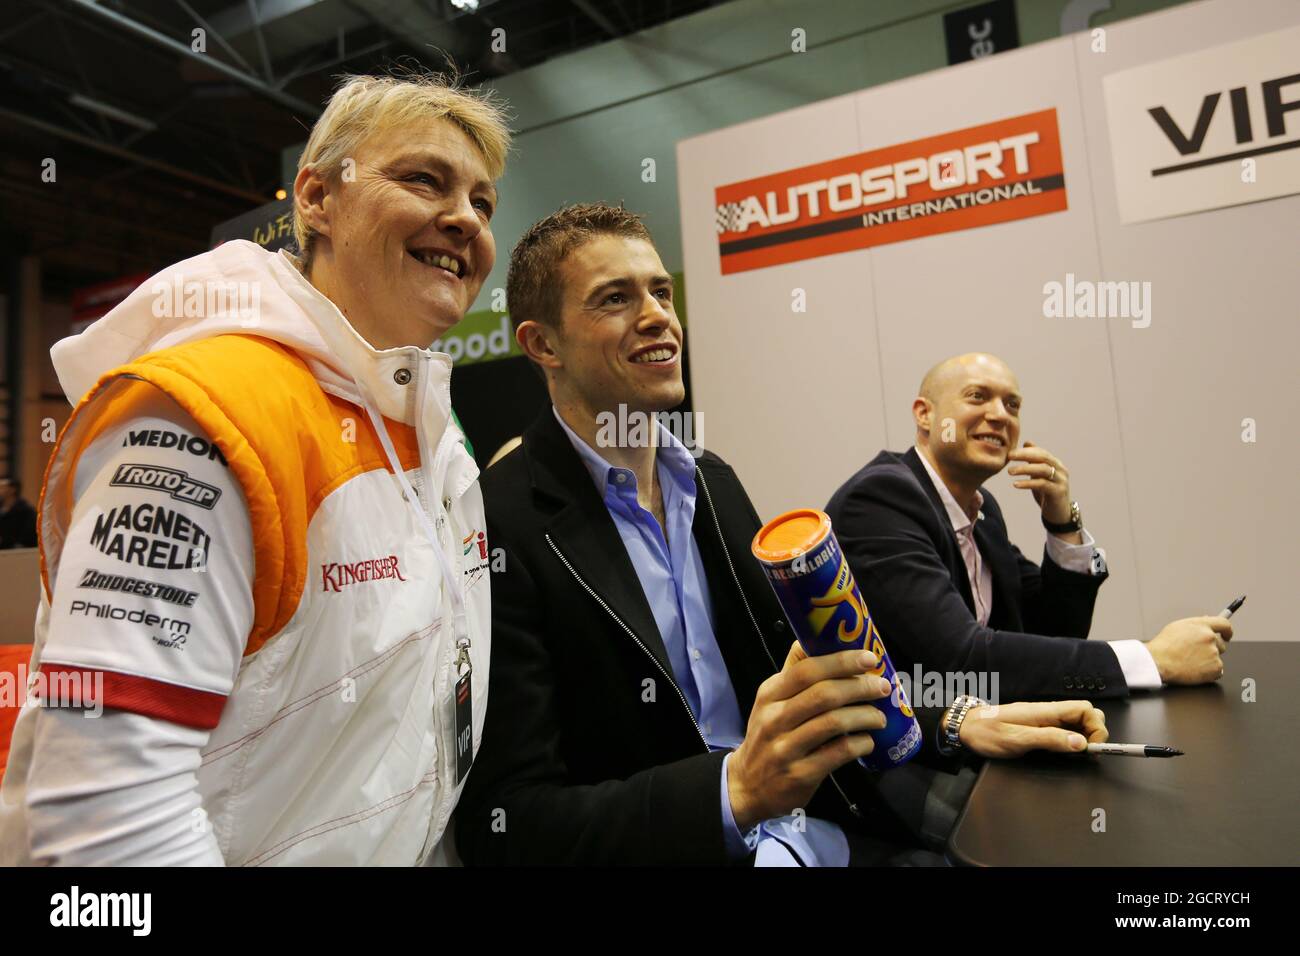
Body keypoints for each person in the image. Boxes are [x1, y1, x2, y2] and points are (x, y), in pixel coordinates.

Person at [454, 204, 1108, 866]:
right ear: (543, 345)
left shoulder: (710, 479)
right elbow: (510, 823)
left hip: (822, 824)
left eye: (661, 291)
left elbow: (814, 668)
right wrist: (733, 792)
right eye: (615, 299)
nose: (658, 317)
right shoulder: (501, 524)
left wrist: (963, 719)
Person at [0, 70, 510, 865]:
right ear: (314, 198)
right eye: (424, 179)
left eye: (483, 203)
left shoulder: (432, 430)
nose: (464, 220)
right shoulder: (201, 417)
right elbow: (102, 814)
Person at [826, 352, 1232, 703]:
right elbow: (959, 660)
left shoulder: (983, 514)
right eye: (978, 396)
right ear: (924, 413)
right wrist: (1152, 659)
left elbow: (1055, 632)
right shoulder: (882, 497)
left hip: (993, 736)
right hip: (904, 760)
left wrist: (1061, 523)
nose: (1000, 415)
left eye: (1013, 405)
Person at [0, 478, 37, 549]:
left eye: (2, 487)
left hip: (20, 552)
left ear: (12, 490)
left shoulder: (26, 510)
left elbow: (29, 533)